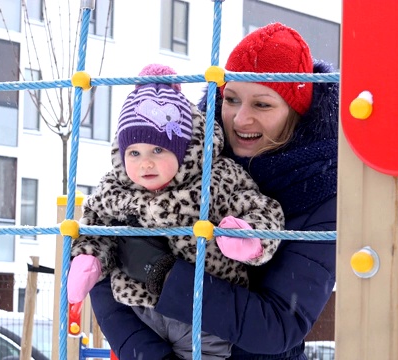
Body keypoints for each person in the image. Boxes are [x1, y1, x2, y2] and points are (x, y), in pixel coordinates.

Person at [88, 22, 338, 360]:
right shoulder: (182, 156)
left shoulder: (320, 194)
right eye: (231, 99)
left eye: (262, 105)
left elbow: (278, 324)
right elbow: (105, 277)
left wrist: (162, 274)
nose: (239, 119)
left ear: (295, 110)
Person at [67, 63, 285, 359]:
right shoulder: (115, 188)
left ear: (183, 150)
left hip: (205, 317)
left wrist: (249, 238)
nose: (145, 163)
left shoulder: (214, 178)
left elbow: (261, 208)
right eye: (134, 152)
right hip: (139, 310)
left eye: (158, 150)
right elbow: (96, 225)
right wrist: (89, 259)